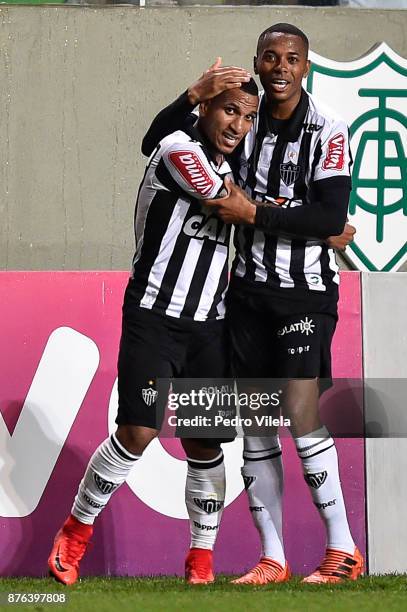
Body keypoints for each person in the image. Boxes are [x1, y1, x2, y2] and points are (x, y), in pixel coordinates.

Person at [142, 23, 362, 585]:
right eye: (270, 57)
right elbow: (159, 141)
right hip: (244, 294)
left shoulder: (327, 130)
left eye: (291, 57)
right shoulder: (245, 120)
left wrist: (257, 215)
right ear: (257, 64)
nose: (280, 66)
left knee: (300, 409)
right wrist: (194, 93)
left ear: (305, 67)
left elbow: (331, 218)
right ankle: (274, 558)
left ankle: (342, 551)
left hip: (304, 294)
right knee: (257, 425)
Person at [48, 79, 259, 586]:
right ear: (204, 107)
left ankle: (200, 561)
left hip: (210, 323)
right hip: (154, 316)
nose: (238, 126)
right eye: (230, 111)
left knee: (206, 444)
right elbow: (225, 202)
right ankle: (74, 535)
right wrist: (311, 223)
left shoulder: (230, 161)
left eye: (248, 118)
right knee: (138, 432)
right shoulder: (176, 148)